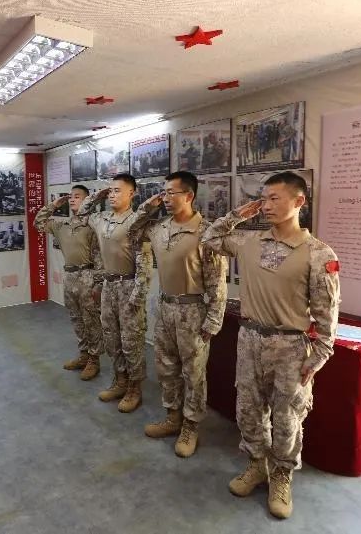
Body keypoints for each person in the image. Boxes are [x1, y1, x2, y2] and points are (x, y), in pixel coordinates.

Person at [200, 171, 340, 519]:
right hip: (249, 339)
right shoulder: (249, 241)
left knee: (287, 417)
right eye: (263, 199)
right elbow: (210, 237)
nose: (266, 205)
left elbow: (327, 315)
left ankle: (281, 476)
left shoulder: (317, 253)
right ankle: (257, 465)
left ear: (299, 201)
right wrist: (237, 215)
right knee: (248, 410)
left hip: (290, 347)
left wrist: (318, 357)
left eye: (274, 198)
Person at [129, 171, 227, 457]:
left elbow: (217, 282)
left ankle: (190, 426)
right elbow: (133, 233)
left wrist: (213, 321)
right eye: (164, 192)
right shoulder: (159, 228)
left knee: (193, 373)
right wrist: (148, 206)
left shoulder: (206, 232)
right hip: (165, 308)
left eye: (171, 193)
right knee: (166, 368)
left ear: (189, 196)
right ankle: (173, 417)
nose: (166, 198)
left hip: (192, 311)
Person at [78, 173, 151, 412]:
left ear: (132, 193)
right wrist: (96, 196)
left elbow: (144, 264)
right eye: (110, 191)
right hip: (108, 286)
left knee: (131, 341)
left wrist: (138, 297)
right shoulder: (102, 219)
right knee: (112, 338)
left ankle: (134, 388)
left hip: (129, 286)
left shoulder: (136, 221)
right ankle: (120, 381)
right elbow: (82, 214)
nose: (112, 195)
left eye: (117, 190)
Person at [35, 185, 104, 380]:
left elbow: (99, 256)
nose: (72, 199)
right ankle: (84, 355)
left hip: (88, 276)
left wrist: (98, 283)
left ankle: (94, 360)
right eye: (71, 196)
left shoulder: (93, 224)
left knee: (91, 320)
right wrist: (54, 205)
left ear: (87, 200)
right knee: (76, 319)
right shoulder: (62, 225)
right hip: (70, 277)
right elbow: (38, 223)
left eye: (77, 196)